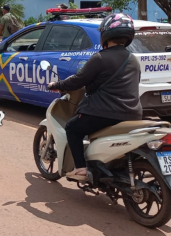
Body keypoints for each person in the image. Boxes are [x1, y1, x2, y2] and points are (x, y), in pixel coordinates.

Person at [46, 13, 142, 181]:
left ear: (105, 34)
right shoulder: (132, 59)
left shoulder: (100, 58)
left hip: (103, 114)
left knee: (73, 128)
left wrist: (57, 85)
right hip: (133, 114)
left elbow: (78, 80)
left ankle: (80, 168)